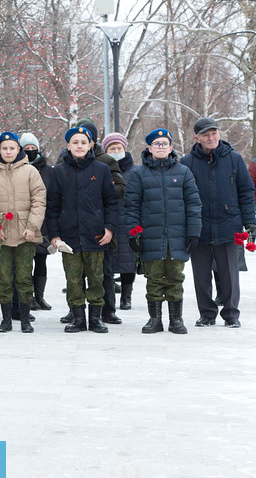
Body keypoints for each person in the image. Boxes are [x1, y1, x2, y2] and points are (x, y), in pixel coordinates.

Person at [124, 129, 201, 335]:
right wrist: (133, 233)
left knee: (176, 278)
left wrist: (193, 231)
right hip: (150, 236)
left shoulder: (183, 172)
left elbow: (194, 204)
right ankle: (155, 319)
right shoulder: (138, 174)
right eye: (156, 144)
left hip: (177, 237)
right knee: (154, 279)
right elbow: (131, 206)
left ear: (171, 147)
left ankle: (176, 319)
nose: (160, 147)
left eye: (164, 143)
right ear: (149, 148)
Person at [181, 117, 256, 327]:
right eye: (205, 134)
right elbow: (182, 196)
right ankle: (207, 314)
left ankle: (231, 314)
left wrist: (250, 221)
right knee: (201, 275)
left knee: (229, 273)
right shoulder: (187, 162)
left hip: (228, 223)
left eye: (214, 133)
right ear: (197, 138)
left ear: (219, 134)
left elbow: (246, 191)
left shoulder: (234, 159)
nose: (211, 137)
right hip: (199, 225)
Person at [45, 126, 118, 334]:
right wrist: (54, 235)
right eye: (75, 142)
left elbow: (112, 202)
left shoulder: (101, 169)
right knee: (73, 278)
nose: (79, 146)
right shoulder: (58, 171)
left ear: (91, 145)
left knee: (96, 277)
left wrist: (110, 228)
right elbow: (52, 206)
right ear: (68, 145)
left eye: (83, 142)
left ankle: (95, 318)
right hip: (69, 237)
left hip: (96, 235)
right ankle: (77, 318)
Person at [0, 131, 46, 333]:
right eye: (4, 148)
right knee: (5, 277)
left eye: (12, 148)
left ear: (18, 149)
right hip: (1, 235)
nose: (8, 151)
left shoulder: (31, 172)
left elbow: (39, 200)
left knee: (24, 277)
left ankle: (25, 318)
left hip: (26, 233)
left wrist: (32, 226)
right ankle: (6, 318)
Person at [101, 132, 138, 310]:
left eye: (119, 148)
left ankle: (126, 296)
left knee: (128, 260)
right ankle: (107, 298)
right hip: (108, 219)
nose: (116, 151)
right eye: (112, 148)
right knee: (108, 261)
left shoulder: (134, 171)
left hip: (128, 219)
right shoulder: (101, 168)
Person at [20, 133, 51, 313]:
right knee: (25, 260)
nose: (30, 151)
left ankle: (40, 295)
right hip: (23, 219)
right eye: (26, 149)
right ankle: (28, 295)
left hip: (43, 221)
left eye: (33, 148)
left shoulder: (47, 169)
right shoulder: (18, 167)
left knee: (41, 259)